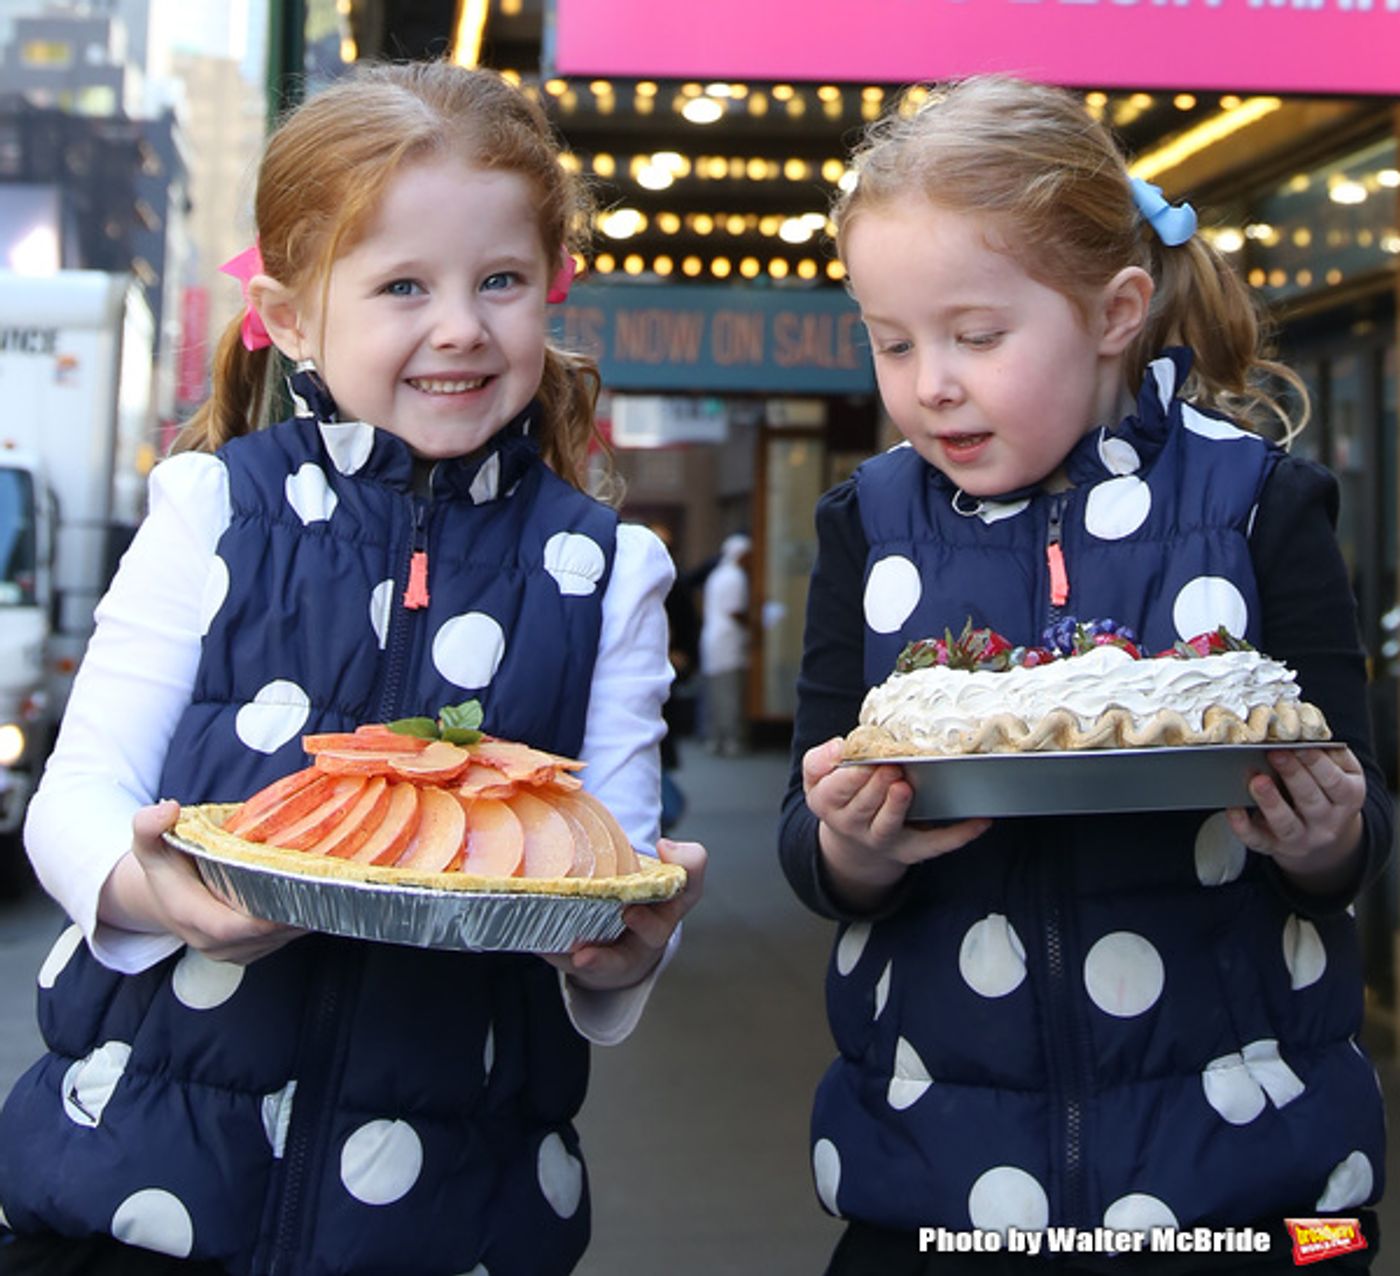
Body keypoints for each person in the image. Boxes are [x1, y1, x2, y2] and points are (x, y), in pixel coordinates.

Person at [0, 61, 705, 1276]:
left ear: (551, 291)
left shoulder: (611, 570)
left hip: (455, 1205)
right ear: (288, 316)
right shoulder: (209, 508)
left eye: (500, 281)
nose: (459, 326)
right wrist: (149, 891)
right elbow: (75, 798)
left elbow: (607, 857)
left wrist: (627, 946)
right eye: (399, 286)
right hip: (131, 1179)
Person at [780, 76, 1392, 1275]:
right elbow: (816, 847)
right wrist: (850, 847)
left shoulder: (1261, 502)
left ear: (1114, 311)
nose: (930, 381)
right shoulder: (868, 524)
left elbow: (1358, 825)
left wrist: (1323, 836)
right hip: (934, 1184)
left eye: (976, 335)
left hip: (1259, 1182)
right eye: (891, 341)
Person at [700, 532, 752, 757]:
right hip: (727, 641)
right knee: (729, 694)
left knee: (716, 692)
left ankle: (715, 738)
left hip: (713, 639)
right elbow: (735, 611)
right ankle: (730, 740)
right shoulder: (735, 577)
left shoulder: (718, 574)